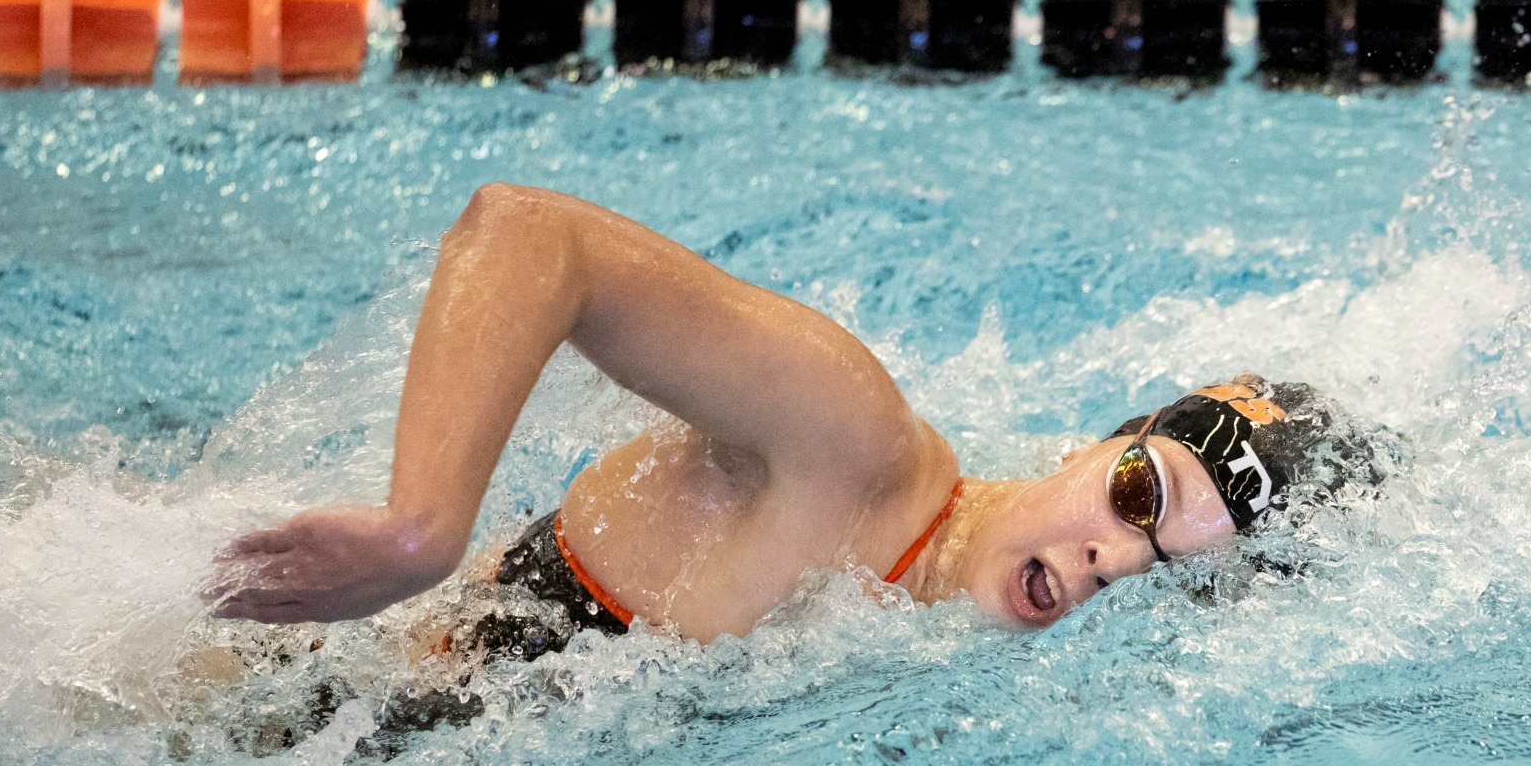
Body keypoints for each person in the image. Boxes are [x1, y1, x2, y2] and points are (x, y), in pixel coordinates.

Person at [211, 184, 1391, 666]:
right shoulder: (850, 440)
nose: (1115, 558)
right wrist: (418, 531)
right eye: (1139, 499)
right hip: (272, 682)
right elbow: (527, 235)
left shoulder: (925, 643)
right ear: (1092, 446)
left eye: (1161, 572)